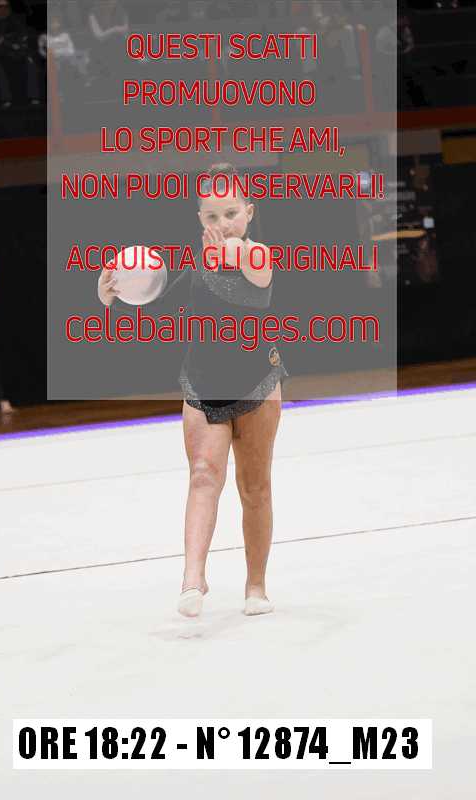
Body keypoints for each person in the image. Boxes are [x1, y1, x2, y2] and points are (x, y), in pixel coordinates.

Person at [98, 163, 289, 619]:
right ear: (200, 219)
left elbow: (255, 272)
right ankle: (192, 579)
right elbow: (156, 304)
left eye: (231, 214)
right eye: (212, 216)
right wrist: (113, 295)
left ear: (249, 212)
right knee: (203, 475)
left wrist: (232, 250)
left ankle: (256, 585)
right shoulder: (196, 265)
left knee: (254, 487)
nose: (222, 224)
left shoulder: (258, 254)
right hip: (203, 383)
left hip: (257, 383)